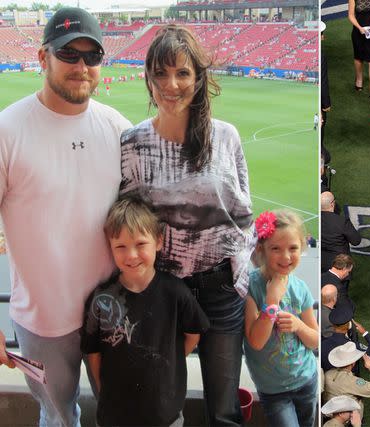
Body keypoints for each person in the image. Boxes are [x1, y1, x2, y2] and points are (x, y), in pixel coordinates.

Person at [0, 8, 132, 426]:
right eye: (68, 55)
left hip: (113, 314)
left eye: (91, 57)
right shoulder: (8, 130)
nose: (81, 67)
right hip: (43, 324)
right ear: (43, 58)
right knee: (59, 417)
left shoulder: (117, 128)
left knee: (122, 411)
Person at [119, 25, 255, 426]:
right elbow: (127, 223)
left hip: (220, 292)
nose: (171, 84)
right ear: (147, 77)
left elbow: (243, 216)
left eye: (182, 73)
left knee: (225, 411)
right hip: (161, 293)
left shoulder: (225, 138)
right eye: (160, 73)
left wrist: (240, 279)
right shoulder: (132, 143)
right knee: (160, 408)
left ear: (198, 78)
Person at [82, 197, 210, 426]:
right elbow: (93, 354)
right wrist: (106, 394)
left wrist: (168, 360)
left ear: (158, 241)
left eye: (140, 244)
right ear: (109, 246)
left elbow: (194, 333)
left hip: (166, 416)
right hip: (115, 417)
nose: (131, 255)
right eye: (120, 246)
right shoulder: (100, 300)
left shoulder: (176, 292)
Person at [244, 210, 319, 427]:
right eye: (275, 248)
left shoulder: (300, 289)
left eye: (293, 248)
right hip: (273, 391)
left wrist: (298, 326)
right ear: (262, 250)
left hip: (306, 381)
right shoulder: (250, 287)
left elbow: (314, 340)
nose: (286, 257)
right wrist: (272, 302)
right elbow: (256, 342)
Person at [323, 342, 370, 418]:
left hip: (329, 414)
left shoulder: (327, 373)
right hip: (348, 420)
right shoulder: (352, 381)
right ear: (353, 363)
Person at [321, 301, 370, 372]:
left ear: (333, 324)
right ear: (349, 325)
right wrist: (364, 333)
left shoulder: (322, 344)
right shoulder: (352, 347)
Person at [348, 0, 370, 99]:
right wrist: (359, 27)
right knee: (358, 57)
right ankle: (359, 79)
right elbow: (351, 15)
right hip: (358, 31)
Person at [321, 191, 362, 272]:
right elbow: (356, 241)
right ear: (332, 204)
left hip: (320, 264)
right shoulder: (341, 221)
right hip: (340, 266)